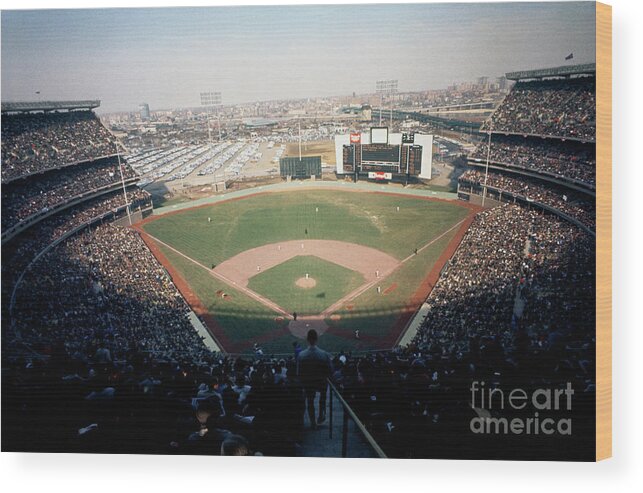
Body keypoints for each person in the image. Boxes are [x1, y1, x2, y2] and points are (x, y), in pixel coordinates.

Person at [297, 329, 332, 428]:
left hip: (308, 382)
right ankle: (321, 414)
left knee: (310, 401)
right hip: (321, 382)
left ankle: (313, 422)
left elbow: (299, 373)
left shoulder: (301, 355)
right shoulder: (324, 354)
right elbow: (330, 370)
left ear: (307, 339)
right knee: (323, 396)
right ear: (316, 339)